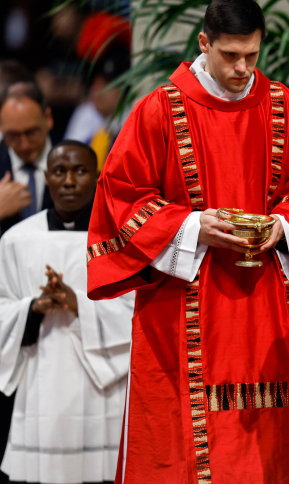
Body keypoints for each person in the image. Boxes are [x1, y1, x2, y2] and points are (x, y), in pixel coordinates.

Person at [86, 1, 289, 482]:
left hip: (270, 309)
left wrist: (283, 226)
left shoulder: (286, 106)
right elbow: (120, 197)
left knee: (273, 445)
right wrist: (191, 226)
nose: (243, 69)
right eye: (230, 56)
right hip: (183, 306)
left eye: (252, 55)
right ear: (204, 43)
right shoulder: (160, 109)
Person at [0, 140, 132, 484]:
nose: (69, 181)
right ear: (47, 178)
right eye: (60, 172)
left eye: (80, 171)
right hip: (40, 381)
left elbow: (139, 315)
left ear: (98, 177)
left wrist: (79, 305)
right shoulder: (16, 240)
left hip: (103, 388)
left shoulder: (120, 240)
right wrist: (31, 308)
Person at [0, 82, 55, 237]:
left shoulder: (74, 163)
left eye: (31, 132)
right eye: (13, 135)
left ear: (48, 118)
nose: (24, 145)